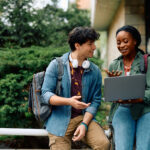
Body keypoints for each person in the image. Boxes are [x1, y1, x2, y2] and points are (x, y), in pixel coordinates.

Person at [41, 27, 110, 150]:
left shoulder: (95, 71)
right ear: (77, 45)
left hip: (84, 118)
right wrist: (69, 101)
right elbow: (46, 95)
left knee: (103, 144)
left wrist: (84, 124)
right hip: (59, 120)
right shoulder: (56, 65)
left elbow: (95, 101)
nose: (94, 47)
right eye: (90, 44)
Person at [105, 25, 150, 150]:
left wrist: (139, 98)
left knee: (144, 148)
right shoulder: (114, 64)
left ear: (135, 41)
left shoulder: (147, 61)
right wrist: (113, 85)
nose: (121, 45)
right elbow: (110, 94)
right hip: (122, 110)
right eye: (118, 42)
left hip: (145, 110)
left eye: (126, 41)